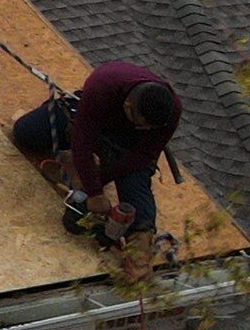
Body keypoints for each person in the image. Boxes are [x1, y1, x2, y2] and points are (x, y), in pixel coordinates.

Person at [10, 62, 181, 249]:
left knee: (136, 182)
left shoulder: (172, 110)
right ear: (128, 105)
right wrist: (94, 192)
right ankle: (78, 164)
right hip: (92, 119)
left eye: (150, 128)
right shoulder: (103, 83)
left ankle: (139, 247)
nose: (147, 129)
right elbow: (81, 140)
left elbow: (143, 156)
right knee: (25, 132)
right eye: (142, 124)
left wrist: (97, 181)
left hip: (128, 144)